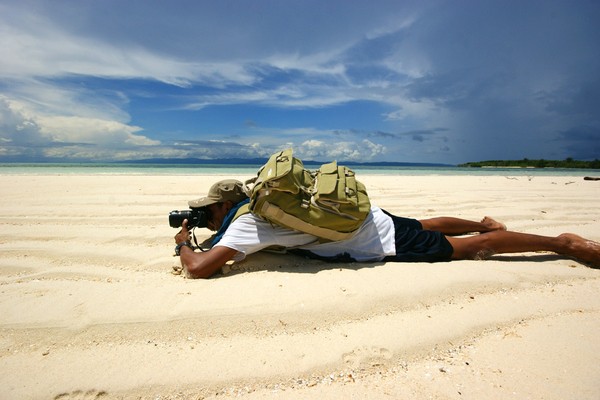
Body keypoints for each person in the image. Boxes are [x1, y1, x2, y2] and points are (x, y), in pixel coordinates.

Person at [173, 179, 600, 279]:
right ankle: (483, 220)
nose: (203, 218)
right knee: (425, 223)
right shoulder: (262, 208)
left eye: (207, 211)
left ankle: (564, 243)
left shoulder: (246, 226)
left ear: (226, 205)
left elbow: (200, 268)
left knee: (471, 249)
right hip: (365, 214)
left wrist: (181, 247)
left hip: (374, 238)